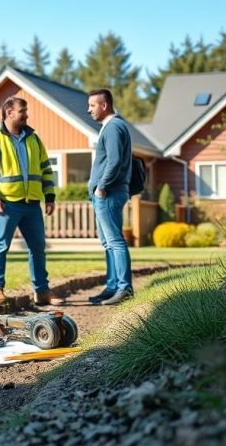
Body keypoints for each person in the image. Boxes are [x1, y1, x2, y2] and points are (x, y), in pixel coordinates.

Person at [0, 96, 58, 307]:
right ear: (9, 113)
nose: (26, 115)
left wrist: (49, 196)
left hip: (31, 204)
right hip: (6, 204)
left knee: (38, 248)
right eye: (22, 111)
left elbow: (46, 170)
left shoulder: (34, 139)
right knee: (1, 246)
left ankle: (42, 292)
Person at [86, 88, 134, 305]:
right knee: (108, 243)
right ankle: (113, 286)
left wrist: (101, 186)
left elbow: (114, 161)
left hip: (109, 193)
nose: (89, 110)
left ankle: (124, 288)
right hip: (107, 193)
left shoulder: (113, 127)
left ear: (104, 105)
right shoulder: (113, 126)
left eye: (92, 106)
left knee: (115, 242)